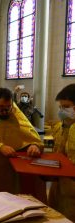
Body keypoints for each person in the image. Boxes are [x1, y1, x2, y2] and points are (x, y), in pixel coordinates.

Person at [48, 84, 75, 221]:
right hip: (59, 186)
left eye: (66, 107)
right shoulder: (61, 126)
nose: (61, 111)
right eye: (60, 107)